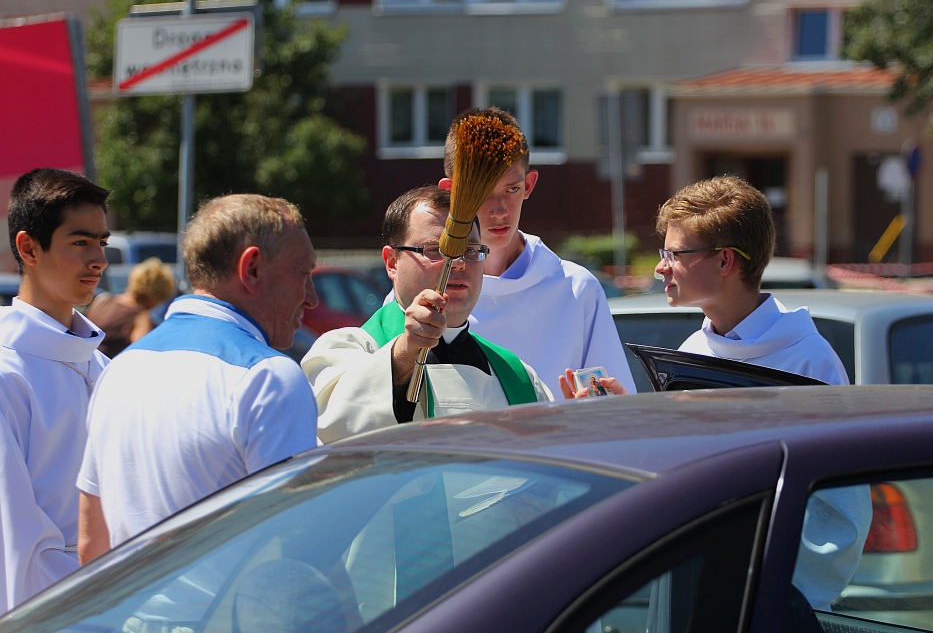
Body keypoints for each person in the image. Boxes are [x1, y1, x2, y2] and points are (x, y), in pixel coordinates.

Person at [599, 175, 870, 611]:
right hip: (695, 588)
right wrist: (623, 421)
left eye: (674, 253)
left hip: (771, 603)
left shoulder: (809, 363)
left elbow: (840, 515)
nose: (659, 267)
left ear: (725, 260)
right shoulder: (694, 351)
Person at [77, 194, 319, 562]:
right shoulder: (269, 377)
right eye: (303, 273)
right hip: (228, 620)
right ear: (252, 268)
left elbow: (92, 545)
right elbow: (296, 550)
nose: (313, 298)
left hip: (123, 618)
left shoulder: (118, 370)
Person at [304, 185, 552, 442]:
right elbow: (332, 427)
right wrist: (404, 354)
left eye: (470, 251)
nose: (457, 262)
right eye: (436, 250)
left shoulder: (517, 375)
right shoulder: (344, 351)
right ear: (392, 262)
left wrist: (581, 424)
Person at [437, 107, 635, 395]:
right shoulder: (424, 286)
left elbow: (610, 409)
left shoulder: (576, 290)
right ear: (451, 192)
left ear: (529, 185)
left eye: (512, 189)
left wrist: (592, 411)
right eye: (483, 191)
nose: (499, 209)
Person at [0, 168, 110, 611]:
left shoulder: (102, 365)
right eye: (81, 242)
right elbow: (16, 536)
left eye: (102, 242)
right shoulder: (8, 372)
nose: (99, 259)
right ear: (29, 247)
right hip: (50, 614)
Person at [86, 257, 176, 357]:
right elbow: (141, 356)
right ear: (157, 295)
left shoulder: (102, 300)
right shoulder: (141, 318)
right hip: (109, 370)